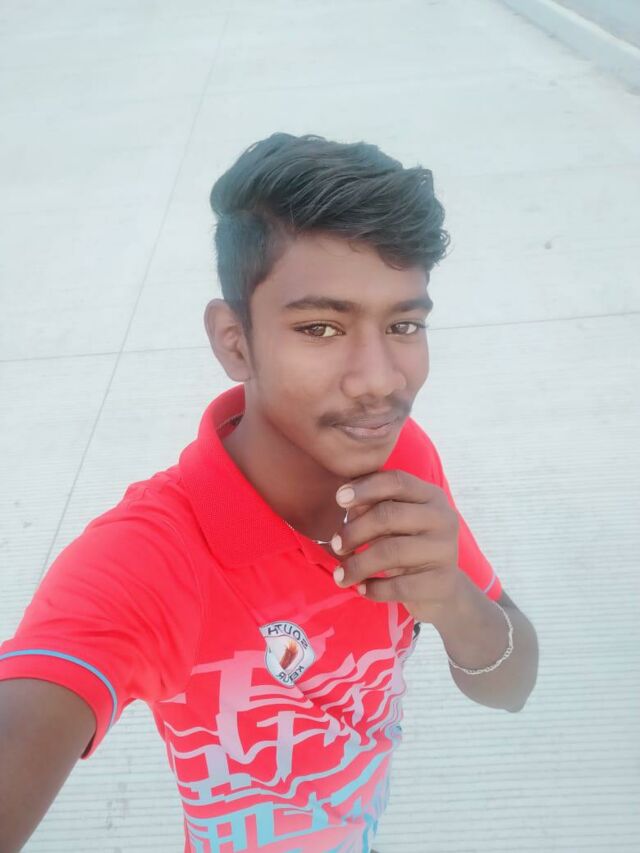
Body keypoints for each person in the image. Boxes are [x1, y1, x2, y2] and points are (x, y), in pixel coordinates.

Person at [0, 132, 538, 853]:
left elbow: (511, 685)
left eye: (403, 324)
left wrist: (451, 601)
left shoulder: (400, 457)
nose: (380, 379)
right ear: (235, 341)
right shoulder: (153, 557)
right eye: (321, 327)